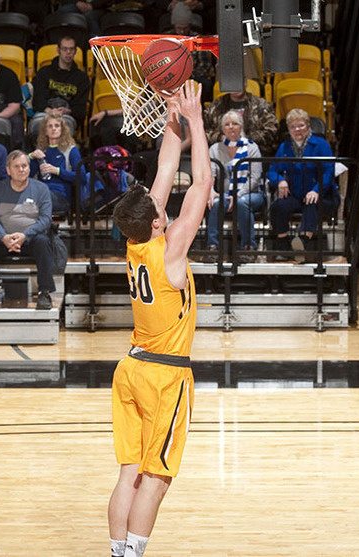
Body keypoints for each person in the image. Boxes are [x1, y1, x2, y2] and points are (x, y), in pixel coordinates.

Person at [107, 81, 211, 557]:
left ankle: (116, 551)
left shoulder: (135, 241)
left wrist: (174, 111)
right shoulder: (170, 252)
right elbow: (202, 186)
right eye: (157, 207)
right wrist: (197, 121)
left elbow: (167, 169)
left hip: (129, 369)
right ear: (154, 221)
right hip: (164, 375)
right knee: (157, 478)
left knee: (128, 474)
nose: (161, 202)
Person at [0, 150, 54, 311]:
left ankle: (44, 293)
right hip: (4, 238)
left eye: (24, 166)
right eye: (16, 166)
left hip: (30, 238)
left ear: (29, 168)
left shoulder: (41, 188)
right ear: (8, 170)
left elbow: (46, 219)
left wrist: (25, 235)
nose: (21, 169)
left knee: (43, 241)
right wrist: (4, 237)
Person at [267, 108, 339, 257]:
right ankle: (283, 244)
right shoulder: (284, 147)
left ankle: (302, 241)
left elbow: (328, 171)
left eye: (300, 125)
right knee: (277, 207)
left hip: (322, 195)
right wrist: (280, 181)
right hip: (296, 194)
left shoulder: (321, 144)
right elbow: (273, 171)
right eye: (293, 127)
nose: (297, 130)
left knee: (311, 203)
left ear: (308, 126)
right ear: (288, 129)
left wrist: (316, 190)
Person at [205, 109, 263, 262]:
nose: (231, 127)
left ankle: (248, 248)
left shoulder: (252, 148)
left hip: (251, 194)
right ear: (222, 129)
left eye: (235, 124)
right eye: (227, 124)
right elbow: (209, 174)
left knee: (242, 203)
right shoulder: (215, 149)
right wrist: (210, 191)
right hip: (225, 194)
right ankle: (213, 248)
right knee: (216, 203)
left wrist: (238, 194)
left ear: (241, 127)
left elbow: (255, 177)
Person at [29, 35, 90, 137]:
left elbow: (81, 109)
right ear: (58, 50)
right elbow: (38, 100)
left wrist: (68, 111)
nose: (68, 52)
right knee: (36, 126)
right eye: (65, 49)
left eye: (71, 49)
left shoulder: (82, 78)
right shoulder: (44, 72)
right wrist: (50, 111)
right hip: (44, 114)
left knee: (63, 127)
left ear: (75, 51)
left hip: (66, 117)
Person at [203, 77, 280, 156]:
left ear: (245, 83)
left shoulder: (261, 105)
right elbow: (204, 132)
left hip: (255, 154)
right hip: (222, 153)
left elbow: (272, 131)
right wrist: (221, 138)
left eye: (238, 82)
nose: (235, 87)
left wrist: (246, 138)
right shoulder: (215, 107)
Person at [28, 114, 82, 216]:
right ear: (45, 131)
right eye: (50, 126)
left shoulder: (71, 150)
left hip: (61, 196)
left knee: (38, 198)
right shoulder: (41, 151)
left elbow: (81, 176)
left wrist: (57, 171)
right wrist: (31, 156)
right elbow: (26, 176)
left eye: (57, 126)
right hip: (41, 192)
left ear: (62, 129)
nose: (53, 129)